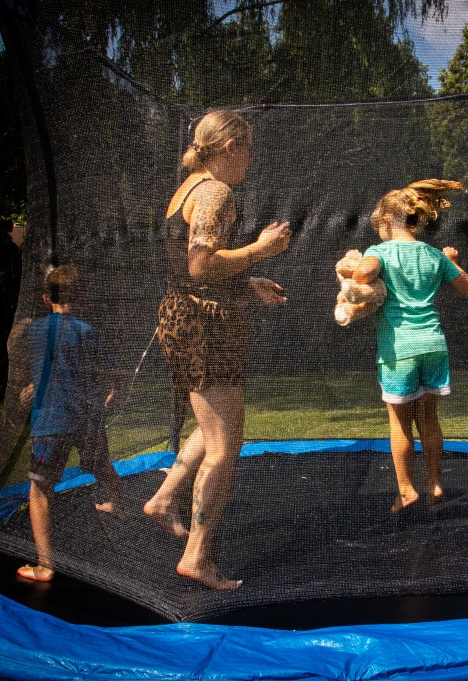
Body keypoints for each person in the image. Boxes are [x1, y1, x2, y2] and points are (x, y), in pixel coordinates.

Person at [142, 109, 291, 589]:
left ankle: (163, 500)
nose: (250, 159)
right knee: (226, 446)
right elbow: (201, 266)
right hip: (203, 327)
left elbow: (190, 270)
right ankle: (197, 557)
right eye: (247, 149)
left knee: (213, 428)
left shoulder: (186, 189)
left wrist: (246, 281)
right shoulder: (215, 192)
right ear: (230, 147)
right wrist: (262, 249)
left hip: (186, 317)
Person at [353, 179, 468, 513]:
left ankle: (406, 490)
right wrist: (450, 261)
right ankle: (434, 482)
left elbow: (363, 275)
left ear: (387, 220)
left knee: (400, 423)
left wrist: (359, 268)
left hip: (400, 351)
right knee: (429, 419)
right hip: (434, 345)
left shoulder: (379, 252)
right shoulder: (433, 255)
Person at [17, 263, 126, 582]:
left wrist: (30, 388)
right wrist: (115, 394)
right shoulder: (87, 331)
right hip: (87, 416)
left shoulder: (35, 330)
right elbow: (116, 374)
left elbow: (35, 364)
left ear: (45, 298)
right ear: (84, 298)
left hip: (50, 421)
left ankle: (46, 565)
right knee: (101, 465)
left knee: (41, 489)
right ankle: (121, 506)